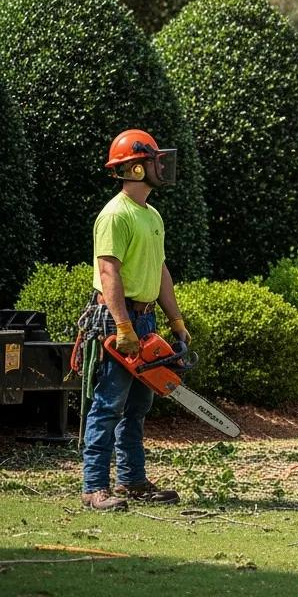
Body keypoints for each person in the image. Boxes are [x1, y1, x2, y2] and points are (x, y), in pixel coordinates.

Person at [81, 129, 190, 511]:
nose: (161, 165)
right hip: (118, 319)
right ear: (136, 169)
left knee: (138, 407)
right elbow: (108, 272)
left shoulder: (152, 214)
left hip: (145, 320)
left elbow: (159, 270)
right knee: (108, 404)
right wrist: (123, 326)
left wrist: (175, 321)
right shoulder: (115, 214)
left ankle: (131, 480)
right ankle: (94, 486)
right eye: (154, 160)